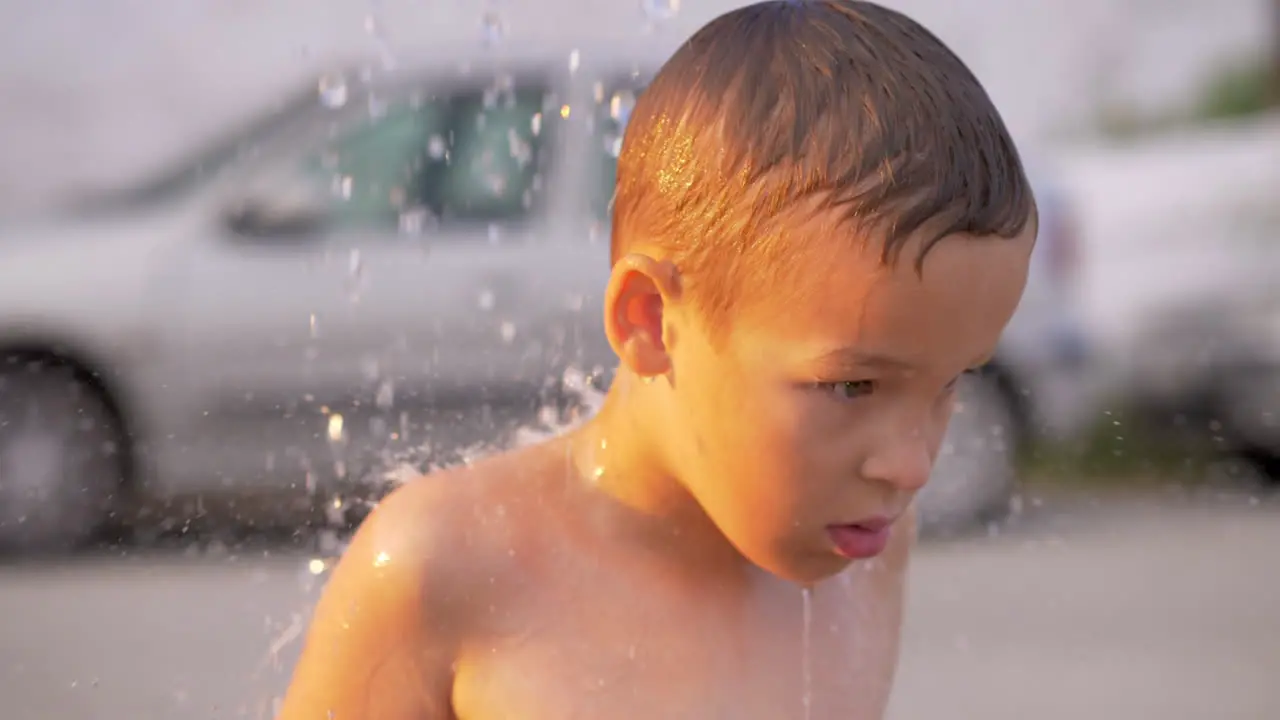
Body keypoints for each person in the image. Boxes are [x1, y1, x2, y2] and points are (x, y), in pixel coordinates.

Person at [276, 1, 1036, 717]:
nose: (912, 467)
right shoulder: (443, 567)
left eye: (952, 381)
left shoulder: (867, 551)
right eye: (852, 385)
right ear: (650, 320)